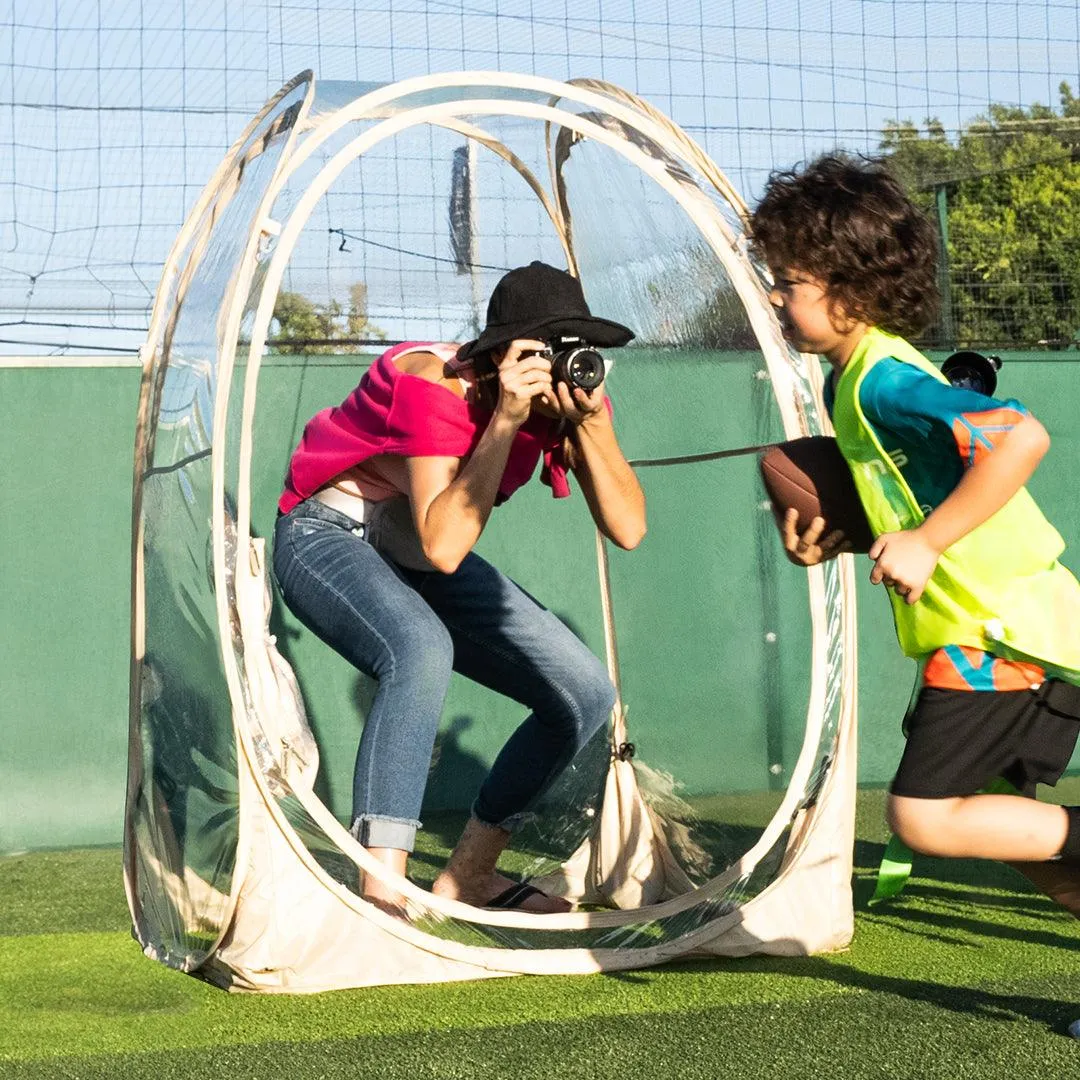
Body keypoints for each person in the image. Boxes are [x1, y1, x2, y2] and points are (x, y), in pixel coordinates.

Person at [748, 154, 1080, 931]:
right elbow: (917, 491)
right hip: (1001, 627)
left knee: (925, 816)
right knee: (1005, 820)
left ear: (851, 291)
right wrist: (842, 539)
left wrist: (927, 541)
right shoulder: (851, 376)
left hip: (1001, 636)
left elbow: (1020, 437)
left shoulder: (881, 380)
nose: (773, 294)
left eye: (788, 281)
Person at [272, 261, 646, 916]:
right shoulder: (434, 383)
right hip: (328, 535)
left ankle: (470, 874)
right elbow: (445, 547)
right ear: (503, 351)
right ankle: (382, 894)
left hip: (416, 547)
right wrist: (505, 418)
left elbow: (629, 529)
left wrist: (590, 423)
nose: (562, 365)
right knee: (419, 649)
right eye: (545, 349)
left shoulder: (569, 398)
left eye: (574, 349)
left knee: (583, 693)